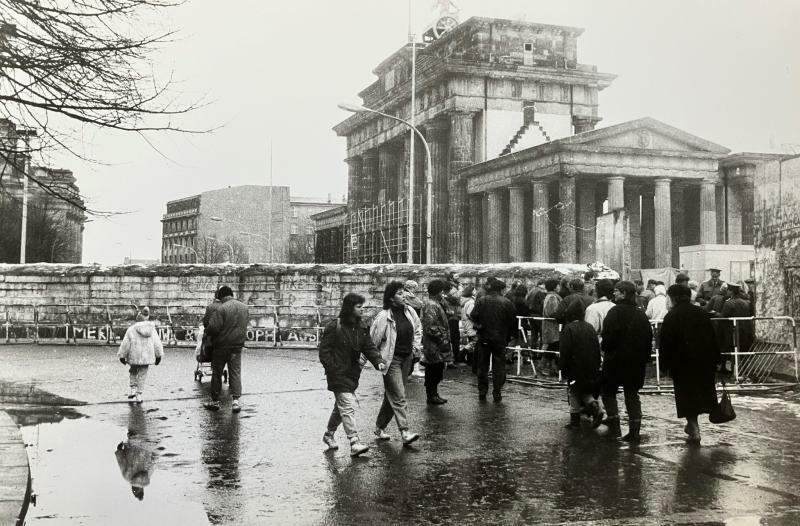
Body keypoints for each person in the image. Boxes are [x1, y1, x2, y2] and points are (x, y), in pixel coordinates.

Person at [319, 293, 386, 456]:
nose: (362, 309)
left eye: (363, 306)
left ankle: (329, 434)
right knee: (347, 405)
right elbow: (324, 352)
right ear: (350, 308)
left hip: (352, 374)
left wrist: (378, 361)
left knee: (341, 408)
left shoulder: (362, 327)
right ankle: (354, 441)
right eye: (359, 307)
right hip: (337, 374)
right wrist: (333, 369)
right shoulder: (334, 326)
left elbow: (369, 347)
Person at [659, 284, 720, 444]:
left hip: (682, 364)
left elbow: (665, 343)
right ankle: (693, 425)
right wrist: (716, 360)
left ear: (673, 297)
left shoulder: (671, 316)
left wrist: (664, 365)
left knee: (686, 396)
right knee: (702, 392)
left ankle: (694, 428)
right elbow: (712, 338)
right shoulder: (701, 313)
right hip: (704, 362)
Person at [600, 280, 654, 442]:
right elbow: (648, 338)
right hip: (635, 362)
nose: (614, 293)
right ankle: (634, 431)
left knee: (608, 391)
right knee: (632, 394)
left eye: (617, 291)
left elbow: (608, 337)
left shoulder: (614, 312)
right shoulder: (640, 314)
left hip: (615, 360)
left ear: (624, 294)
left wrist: (606, 350)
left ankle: (614, 423)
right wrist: (644, 359)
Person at [370, 281, 422, 446]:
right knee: (399, 395)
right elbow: (372, 341)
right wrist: (363, 362)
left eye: (404, 292)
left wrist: (415, 347)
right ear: (391, 299)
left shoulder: (410, 311)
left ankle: (379, 427)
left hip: (407, 358)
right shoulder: (383, 317)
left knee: (391, 395)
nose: (404, 295)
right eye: (400, 293)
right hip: (391, 361)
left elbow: (418, 329)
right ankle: (405, 432)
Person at [470, 276, 517, 402]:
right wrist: (512, 335)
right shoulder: (507, 302)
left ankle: (482, 391)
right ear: (501, 289)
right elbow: (513, 321)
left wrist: (480, 323)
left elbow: (473, 315)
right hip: (500, 338)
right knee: (499, 366)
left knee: (483, 365)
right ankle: (497, 391)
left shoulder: (482, 300)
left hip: (484, 336)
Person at [558, 300, 604, 429]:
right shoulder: (589, 327)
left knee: (574, 392)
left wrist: (563, 367)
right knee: (585, 390)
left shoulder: (568, 329)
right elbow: (596, 347)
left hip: (575, 366)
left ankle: (575, 421)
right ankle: (596, 406)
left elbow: (565, 351)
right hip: (591, 366)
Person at [203, 285, 248, 413]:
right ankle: (235, 402)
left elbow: (213, 328)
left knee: (217, 372)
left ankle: (215, 401)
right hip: (237, 346)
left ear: (221, 297)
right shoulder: (244, 308)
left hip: (221, 346)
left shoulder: (221, 309)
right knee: (235, 372)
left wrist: (209, 335)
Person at [117, 306, 163, 404]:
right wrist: (158, 355)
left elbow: (125, 343)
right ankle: (139, 394)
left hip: (134, 355)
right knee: (143, 375)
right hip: (147, 357)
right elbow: (157, 343)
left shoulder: (131, 329)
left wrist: (122, 355)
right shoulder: (152, 330)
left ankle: (133, 388)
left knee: (133, 371)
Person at [421, 279, 453, 404]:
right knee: (433, 370)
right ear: (437, 292)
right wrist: (442, 338)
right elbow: (431, 327)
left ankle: (434, 393)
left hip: (437, 344)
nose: (443, 294)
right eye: (441, 292)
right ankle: (431, 395)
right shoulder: (431, 305)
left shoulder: (436, 303)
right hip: (434, 345)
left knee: (437, 369)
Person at [403, 280, 426, 378]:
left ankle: (412, 369)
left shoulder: (407, 294)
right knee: (415, 344)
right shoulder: (408, 295)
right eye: (414, 288)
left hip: (412, 320)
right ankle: (414, 369)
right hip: (412, 321)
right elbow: (420, 304)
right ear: (411, 287)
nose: (415, 290)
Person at [540, 278, 563, 374]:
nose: (559, 287)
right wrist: (562, 314)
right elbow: (552, 312)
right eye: (558, 285)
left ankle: (552, 367)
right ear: (554, 287)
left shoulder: (550, 296)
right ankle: (541, 366)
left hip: (551, 326)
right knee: (552, 346)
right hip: (552, 326)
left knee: (554, 346)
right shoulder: (552, 297)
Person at [460, 285, 478, 367]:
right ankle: (461, 355)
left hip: (467, 324)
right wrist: (476, 321)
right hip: (471, 324)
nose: (476, 291)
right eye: (474, 290)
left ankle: (470, 360)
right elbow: (470, 314)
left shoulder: (465, 301)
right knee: (474, 342)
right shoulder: (471, 302)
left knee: (471, 341)